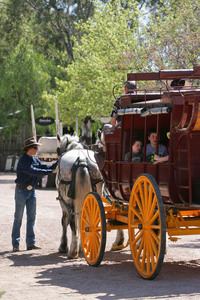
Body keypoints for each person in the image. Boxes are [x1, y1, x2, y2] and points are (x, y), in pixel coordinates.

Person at [12, 137, 58, 252]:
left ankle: (30, 243)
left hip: (31, 191)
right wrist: (50, 172)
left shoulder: (35, 160)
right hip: (21, 191)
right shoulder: (23, 161)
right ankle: (15, 244)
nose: (37, 149)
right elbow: (34, 171)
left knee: (31, 218)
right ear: (28, 149)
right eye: (35, 147)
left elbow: (46, 167)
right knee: (18, 218)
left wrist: (59, 161)